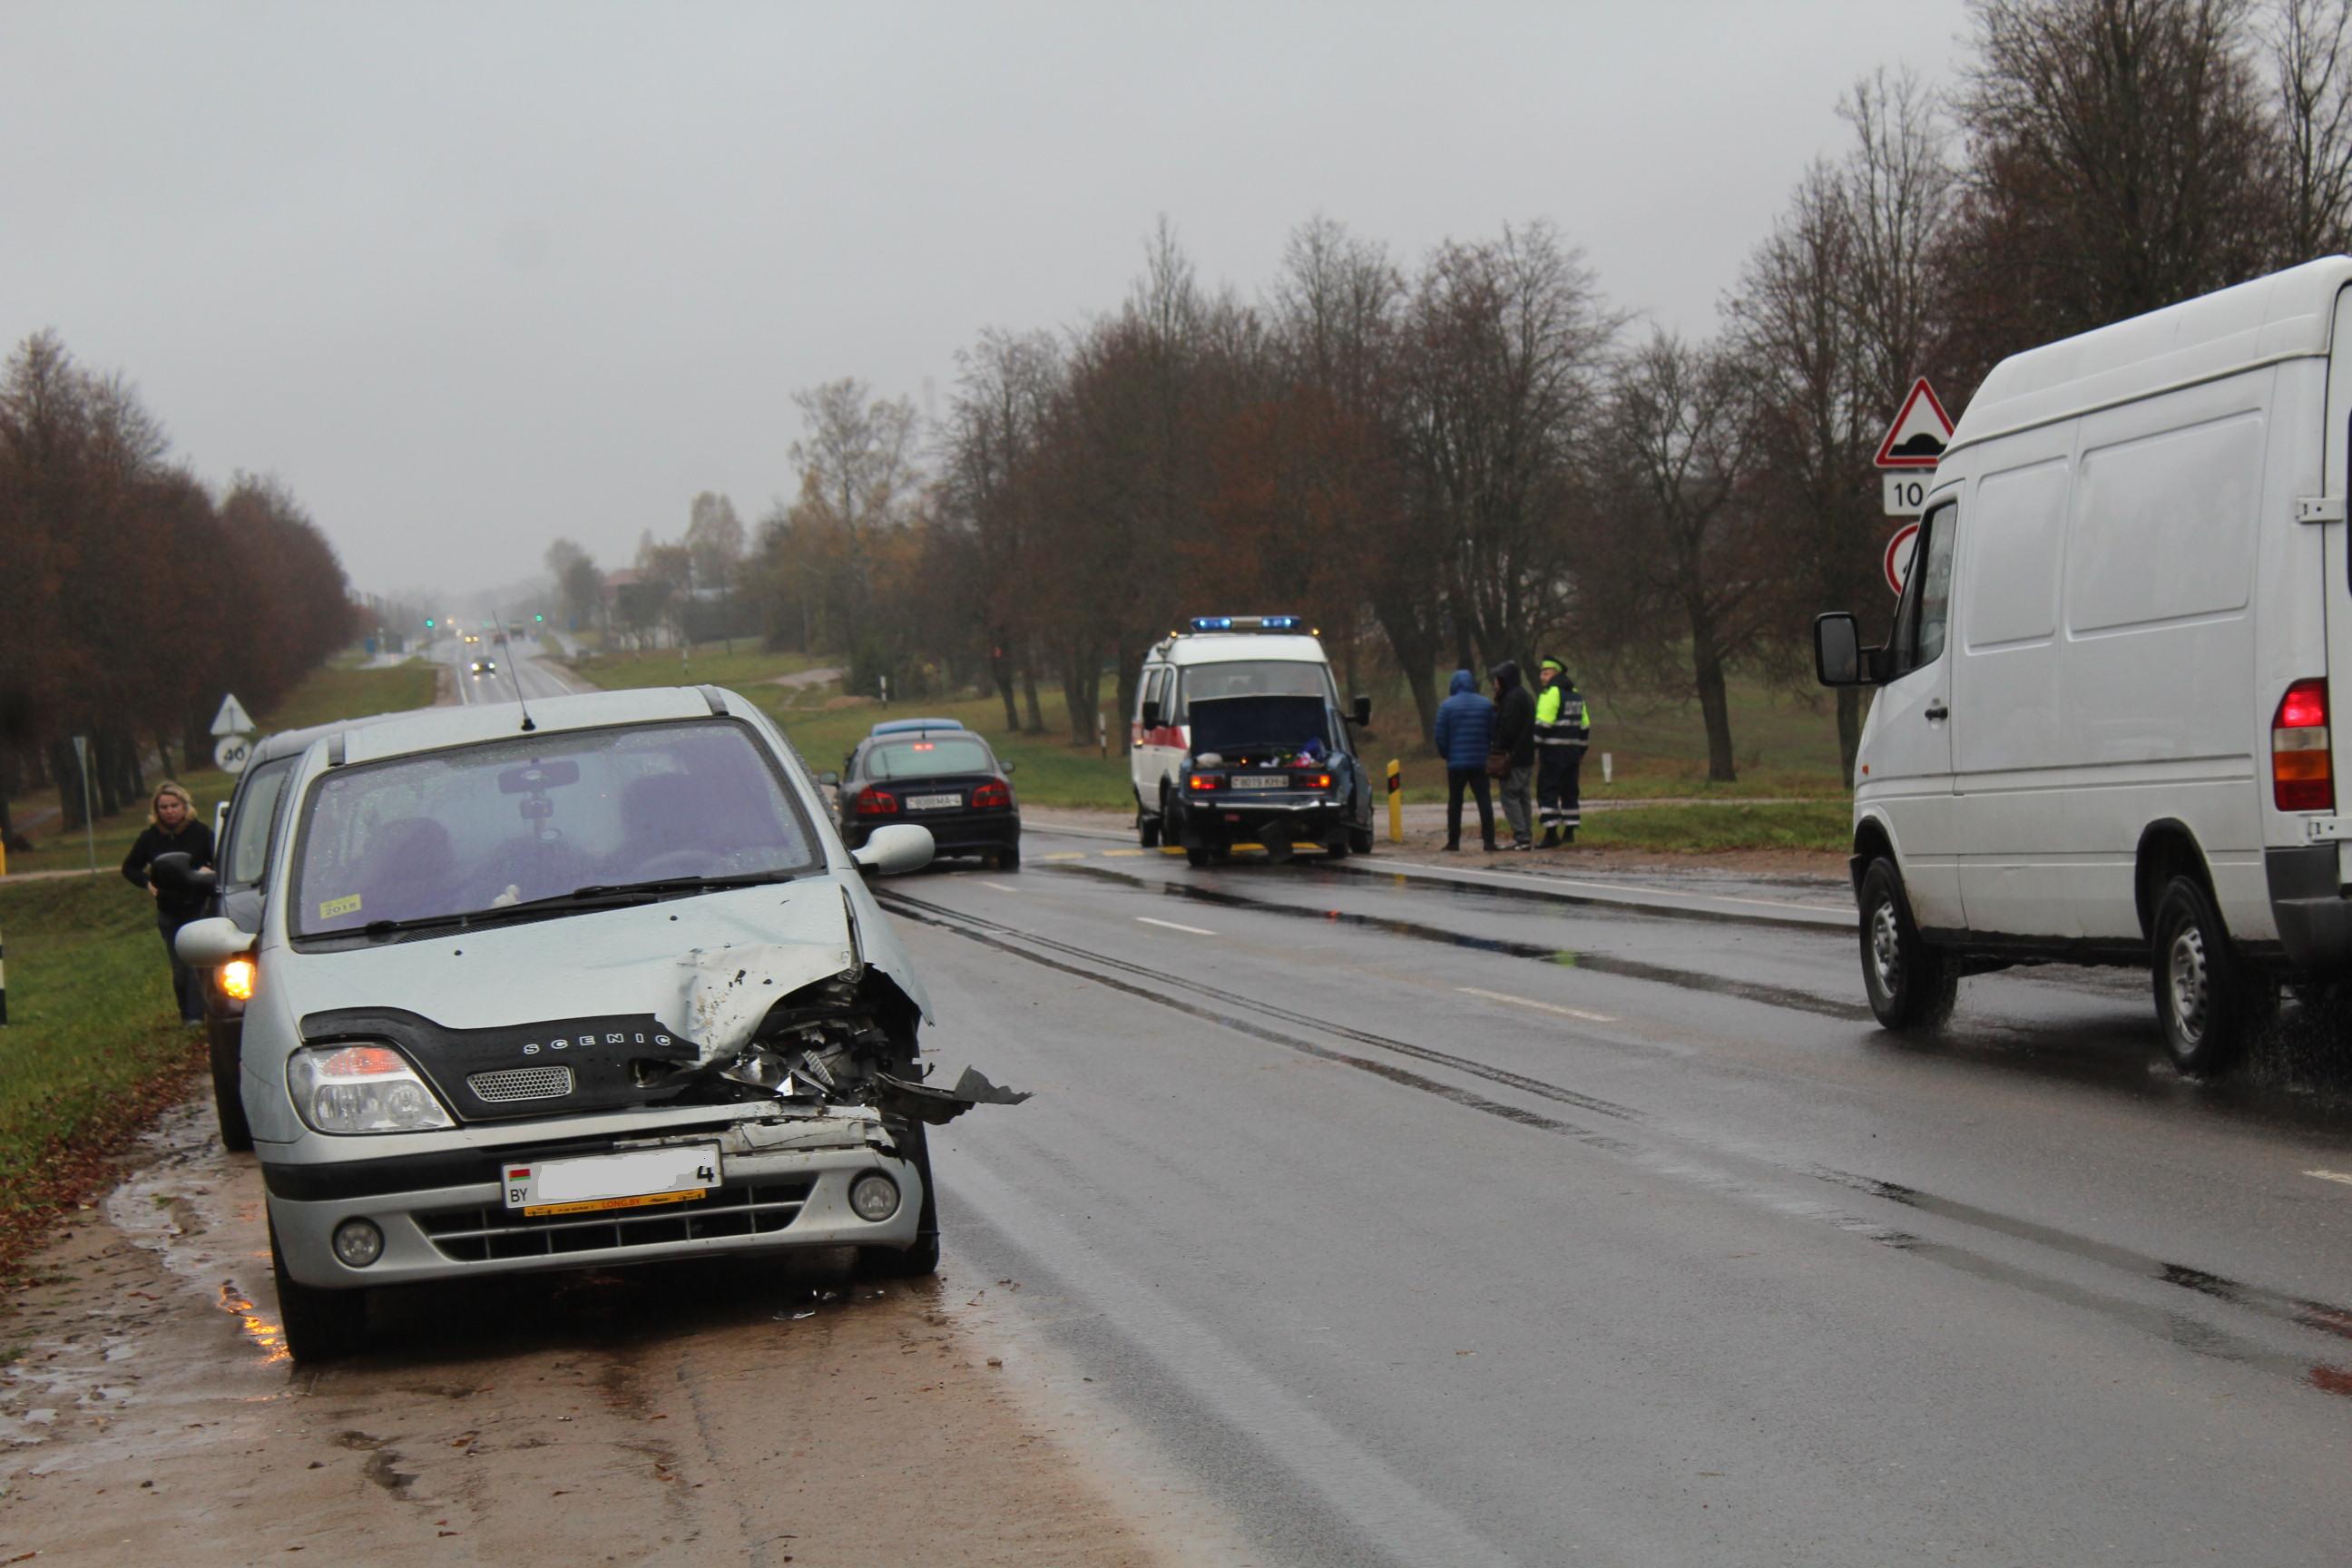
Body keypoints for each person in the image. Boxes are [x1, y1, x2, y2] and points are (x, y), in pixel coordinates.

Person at [121, 782, 217, 1026]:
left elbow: (222, 860)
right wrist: (147, 883)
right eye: (163, 807)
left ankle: (199, 1016)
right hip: (169, 910)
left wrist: (209, 871)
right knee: (180, 968)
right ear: (156, 809)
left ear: (185, 806)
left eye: (174, 805)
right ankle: (187, 1014)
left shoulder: (201, 832)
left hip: (198, 906)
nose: (169, 811)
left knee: (199, 965)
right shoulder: (149, 837)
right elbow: (129, 867)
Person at [1431, 669, 1497, 852]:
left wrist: (1447, 754)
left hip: (1456, 763)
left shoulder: (1446, 706)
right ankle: (1489, 841)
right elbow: (1493, 731)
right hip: (1480, 761)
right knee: (1484, 800)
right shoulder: (1486, 705)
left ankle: (1453, 842)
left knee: (1455, 802)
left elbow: (1440, 735)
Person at [1534, 658, 1592, 847]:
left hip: (1552, 753)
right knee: (1570, 791)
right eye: (1542, 673)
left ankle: (1551, 833)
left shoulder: (1551, 693)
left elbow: (1543, 724)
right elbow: (1585, 726)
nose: (1543, 677)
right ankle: (1569, 832)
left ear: (1556, 674)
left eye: (1546, 673)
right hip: (1572, 754)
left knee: (1548, 790)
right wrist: (1581, 750)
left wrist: (1532, 747)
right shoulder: (1576, 695)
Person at [1490, 661, 1536, 850]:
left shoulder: (1511, 699)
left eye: (1497, 679)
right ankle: (1526, 835)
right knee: (1523, 796)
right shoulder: (1525, 695)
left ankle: (1522, 836)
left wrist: (1498, 747)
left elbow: (1507, 729)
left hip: (1513, 756)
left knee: (1509, 796)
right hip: (1527, 754)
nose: (1495, 683)